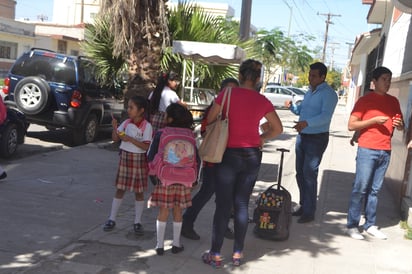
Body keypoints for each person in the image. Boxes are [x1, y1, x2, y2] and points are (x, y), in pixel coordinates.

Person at [201, 59, 283, 268]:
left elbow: (210, 119)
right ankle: (238, 253)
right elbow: (278, 128)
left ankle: (216, 254)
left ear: (239, 75)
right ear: (257, 79)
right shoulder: (262, 100)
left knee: (223, 206)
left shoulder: (227, 95)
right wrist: (262, 138)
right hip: (252, 155)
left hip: (228, 154)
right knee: (242, 204)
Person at [346, 66, 404, 240]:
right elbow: (351, 125)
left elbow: (400, 126)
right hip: (367, 149)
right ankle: (352, 225)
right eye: (384, 79)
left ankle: (370, 224)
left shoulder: (393, 101)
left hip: (385, 150)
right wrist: (373, 121)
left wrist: (400, 124)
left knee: (375, 190)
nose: (387, 82)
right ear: (375, 81)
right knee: (360, 188)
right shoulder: (365, 101)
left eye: (389, 79)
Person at [181, 77, 239, 241]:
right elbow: (206, 132)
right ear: (221, 92)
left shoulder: (233, 110)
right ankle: (187, 221)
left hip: (228, 158)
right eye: (228, 90)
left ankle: (223, 224)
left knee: (225, 194)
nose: (231, 94)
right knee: (207, 192)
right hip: (214, 159)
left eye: (234, 91)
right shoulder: (214, 110)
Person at [285, 62, 338, 223]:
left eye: (314, 75)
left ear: (323, 77)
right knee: (300, 173)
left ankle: (309, 211)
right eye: (310, 74)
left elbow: (325, 117)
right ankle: (303, 205)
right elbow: (301, 111)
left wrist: (306, 123)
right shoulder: (309, 92)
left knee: (309, 174)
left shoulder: (329, 94)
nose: (310, 78)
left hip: (317, 138)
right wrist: (292, 107)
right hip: (303, 136)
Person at [147, 103, 200, 256]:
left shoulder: (161, 133)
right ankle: (176, 244)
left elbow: (150, 155)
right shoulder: (190, 135)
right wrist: (195, 178)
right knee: (178, 210)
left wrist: (153, 174)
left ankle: (159, 245)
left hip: (165, 178)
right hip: (184, 179)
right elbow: (197, 158)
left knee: (164, 210)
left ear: (170, 119)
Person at [102, 96, 153, 235]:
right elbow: (115, 138)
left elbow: (145, 146)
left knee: (139, 192)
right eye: (128, 107)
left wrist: (129, 139)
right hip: (125, 157)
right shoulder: (125, 123)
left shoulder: (147, 126)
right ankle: (112, 218)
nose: (128, 110)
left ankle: (137, 221)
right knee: (120, 189)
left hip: (139, 160)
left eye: (131, 107)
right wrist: (114, 128)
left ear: (141, 110)